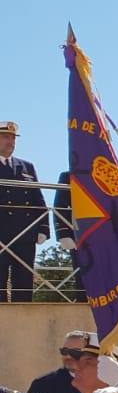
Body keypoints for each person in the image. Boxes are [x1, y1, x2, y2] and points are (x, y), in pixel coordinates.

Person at [0, 120, 49, 302]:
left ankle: (24, 319)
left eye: (13, 138)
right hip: (1, 233)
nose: (10, 142)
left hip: (25, 233)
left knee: (24, 280)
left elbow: (38, 198)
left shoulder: (26, 166)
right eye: (5, 137)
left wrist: (44, 228)